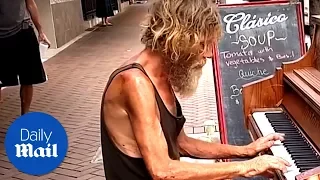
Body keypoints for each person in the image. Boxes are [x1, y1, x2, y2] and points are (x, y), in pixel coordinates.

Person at [100, 0, 290, 179]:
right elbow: (163, 171)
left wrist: (245, 151)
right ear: (179, 37)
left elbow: (183, 143)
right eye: (202, 44)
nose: (208, 53)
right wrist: (246, 167)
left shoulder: (160, 76)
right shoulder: (135, 82)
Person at [0, 0, 51, 115]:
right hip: (1, 37)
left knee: (28, 78)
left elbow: (30, 4)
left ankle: (25, 116)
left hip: (23, 30)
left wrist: (41, 32)